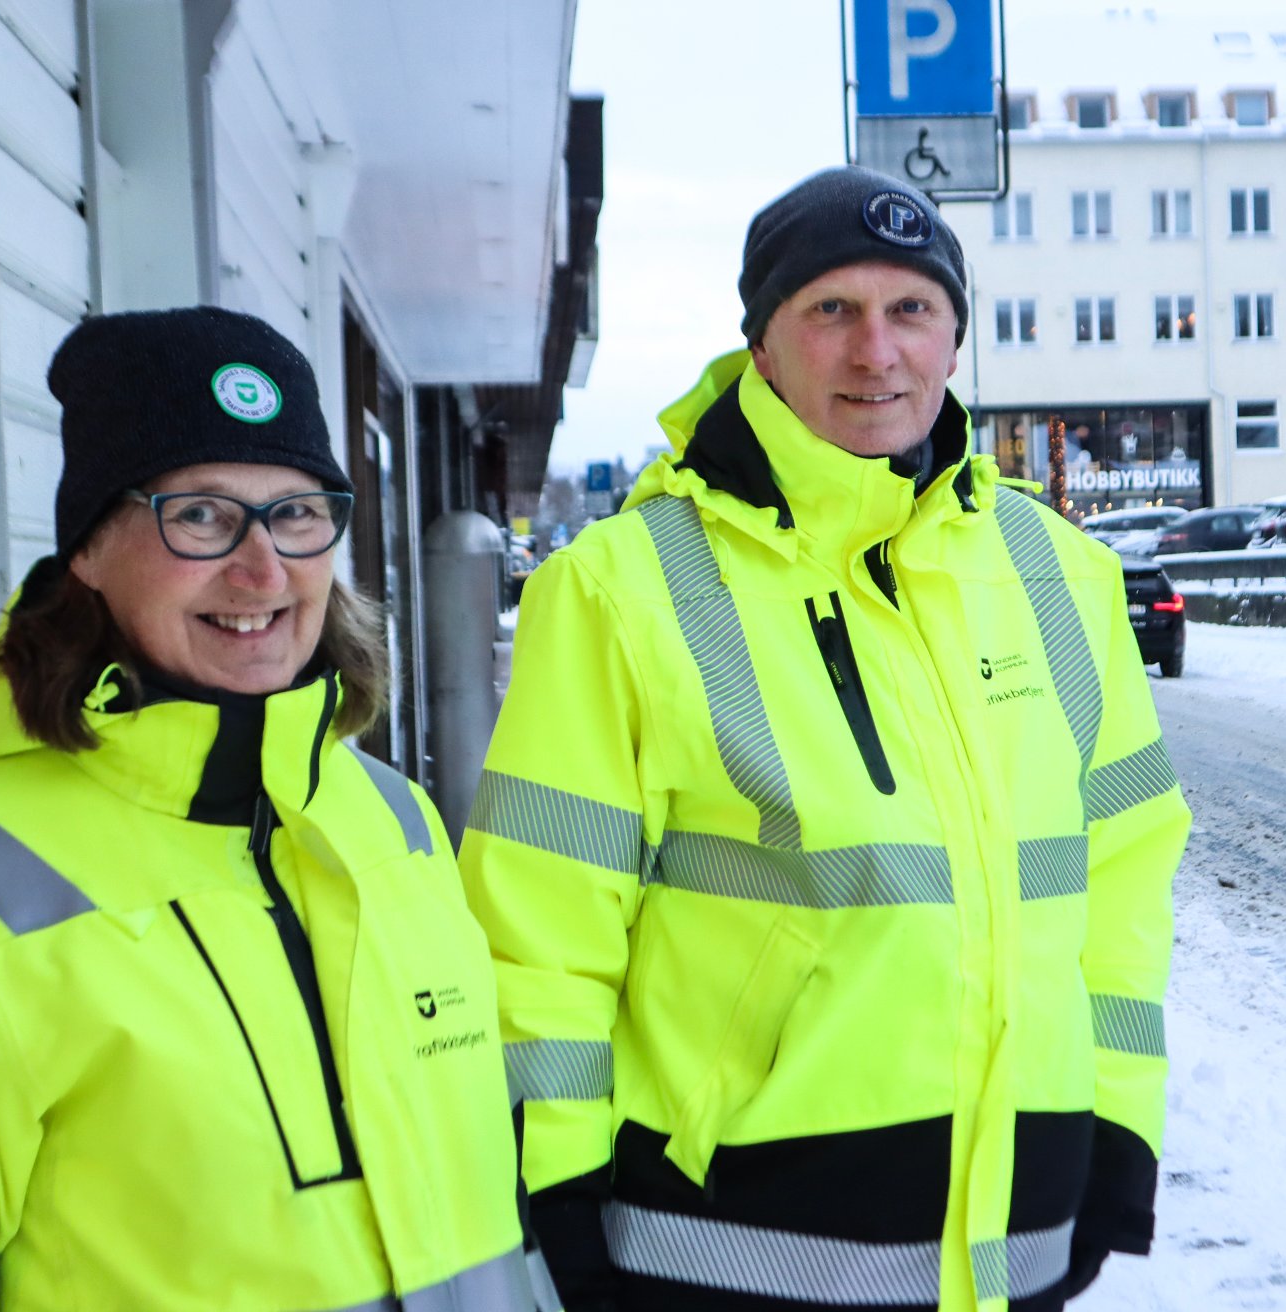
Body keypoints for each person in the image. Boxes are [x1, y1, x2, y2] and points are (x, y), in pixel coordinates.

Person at [459, 167, 1191, 1311]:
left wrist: (1116, 1132)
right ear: (760, 345)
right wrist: (550, 1191)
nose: (875, 351)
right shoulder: (618, 588)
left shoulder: (1062, 576)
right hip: (718, 1254)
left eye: (911, 309)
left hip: (1012, 1244)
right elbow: (538, 935)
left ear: (953, 338)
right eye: (831, 309)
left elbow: (1120, 894)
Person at [0, 307, 551, 1311]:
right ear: (88, 548)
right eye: (200, 515)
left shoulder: (397, 821)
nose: (263, 568)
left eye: (297, 511)